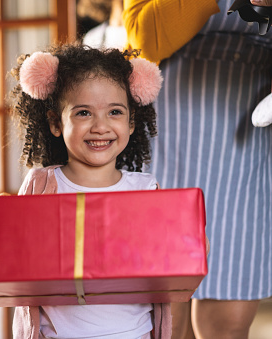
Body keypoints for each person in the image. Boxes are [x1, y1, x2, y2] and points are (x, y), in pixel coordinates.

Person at [123, 1, 272, 338]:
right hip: (167, 135)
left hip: (248, 141)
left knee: (228, 325)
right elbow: (144, 37)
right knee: (162, 322)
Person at [7, 42, 170, 338]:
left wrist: (194, 241)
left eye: (115, 112)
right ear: (56, 123)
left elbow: (170, 261)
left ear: (131, 122)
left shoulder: (146, 189)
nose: (100, 126)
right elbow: (1, 249)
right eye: (83, 113)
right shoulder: (40, 185)